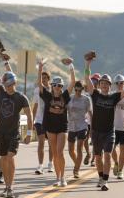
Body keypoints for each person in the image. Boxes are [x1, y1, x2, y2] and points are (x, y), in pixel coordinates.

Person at [84, 51, 124, 191]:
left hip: (108, 132)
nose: (104, 85)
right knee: (98, 157)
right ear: (99, 85)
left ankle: (105, 181)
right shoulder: (94, 95)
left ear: (110, 86)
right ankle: (101, 177)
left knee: (107, 156)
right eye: (102, 83)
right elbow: (87, 78)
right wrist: (88, 63)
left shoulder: (114, 97)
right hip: (95, 132)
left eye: (107, 83)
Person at [0, 51, 33, 198]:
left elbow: (29, 115)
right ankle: (6, 187)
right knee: (2, 159)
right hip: (0, 132)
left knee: (9, 157)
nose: (8, 87)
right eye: (6, 85)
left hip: (13, 133)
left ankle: (10, 187)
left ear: (14, 83)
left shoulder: (21, 98)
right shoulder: (0, 92)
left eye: (10, 85)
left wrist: (28, 133)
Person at [38, 58, 75, 187]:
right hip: (50, 127)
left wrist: (71, 66)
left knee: (60, 152)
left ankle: (63, 177)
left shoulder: (65, 96)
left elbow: (73, 82)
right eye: (55, 85)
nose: (57, 87)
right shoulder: (47, 96)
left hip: (62, 127)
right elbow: (39, 84)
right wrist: (40, 67)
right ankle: (58, 178)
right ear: (52, 86)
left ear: (62, 87)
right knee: (54, 153)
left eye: (59, 85)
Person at [67, 81, 92, 178]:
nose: (78, 92)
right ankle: (77, 163)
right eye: (76, 90)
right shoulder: (69, 98)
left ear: (82, 89)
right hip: (72, 126)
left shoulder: (86, 99)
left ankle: (76, 170)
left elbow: (90, 113)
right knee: (70, 150)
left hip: (82, 126)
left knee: (79, 148)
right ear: (74, 89)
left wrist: (92, 128)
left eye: (80, 90)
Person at [33, 71, 54, 175]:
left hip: (50, 120)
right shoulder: (37, 90)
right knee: (41, 142)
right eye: (42, 77)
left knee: (51, 144)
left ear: (48, 79)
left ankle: (50, 164)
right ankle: (40, 165)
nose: (43, 79)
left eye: (45, 77)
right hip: (39, 120)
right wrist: (32, 120)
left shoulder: (53, 89)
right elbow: (35, 105)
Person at [84, 73, 100, 167]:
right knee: (84, 140)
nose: (94, 83)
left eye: (96, 81)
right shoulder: (87, 94)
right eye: (92, 81)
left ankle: (93, 159)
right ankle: (88, 153)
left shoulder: (101, 94)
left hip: (97, 121)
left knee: (94, 141)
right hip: (86, 121)